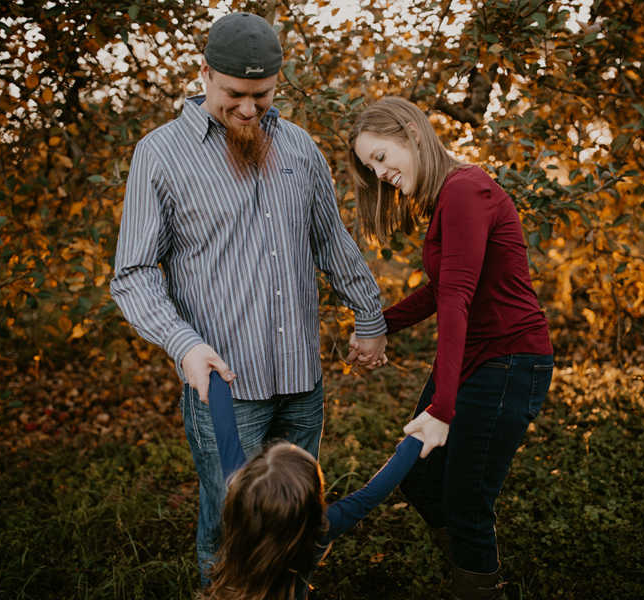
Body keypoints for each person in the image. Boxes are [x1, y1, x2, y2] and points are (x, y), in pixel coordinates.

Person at [109, 12, 388, 581]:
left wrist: (369, 315)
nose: (247, 108)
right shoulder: (160, 155)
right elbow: (133, 273)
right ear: (206, 73)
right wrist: (184, 346)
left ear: (277, 82)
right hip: (224, 392)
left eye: (260, 95)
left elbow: (330, 239)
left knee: (298, 519)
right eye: (234, 93)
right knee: (227, 522)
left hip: (301, 384)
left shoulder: (300, 148)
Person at [346, 96, 554, 600]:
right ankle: (467, 560)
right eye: (369, 167)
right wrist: (377, 325)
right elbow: (443, 289)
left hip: (509, 361)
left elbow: (457, 299)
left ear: (412, 135)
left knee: (466, 499)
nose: (379, 174)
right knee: (418, 480)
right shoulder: (448, 197)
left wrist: (442, 410)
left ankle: (478, 583)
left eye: (380, 157)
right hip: (479, 360)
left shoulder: (466, 190)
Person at [201, 372, 423, 600]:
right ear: (311, 500)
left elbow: (225, 430)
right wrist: (418, 439)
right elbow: (369, 495)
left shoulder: (238, 494)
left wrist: (214, 373)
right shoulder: (318, 529)